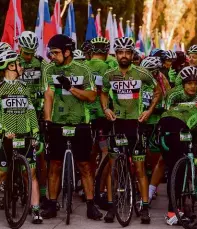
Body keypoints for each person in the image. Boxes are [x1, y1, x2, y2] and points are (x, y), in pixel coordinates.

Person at [101, 37, 162, 224]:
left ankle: (144, 207)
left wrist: (149, 110)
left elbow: (158, 90)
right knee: (113, 168)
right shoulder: (109, 75)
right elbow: (102, 92)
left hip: (136, 125)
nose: (124, 56)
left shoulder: (141, 73)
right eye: (120, 52)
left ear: (132, 54)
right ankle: (112, 206)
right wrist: (106, 109)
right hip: (117, 124)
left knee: (140, 168)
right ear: (116, 54)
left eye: (128, 52)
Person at [42, 34, 102, 220]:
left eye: (56, 52)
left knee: (84, 165)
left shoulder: (83, 69)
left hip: (80, 122)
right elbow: (49, 95)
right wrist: (47, 121)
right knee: (55, 165)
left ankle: (91, 205)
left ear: (67, 52)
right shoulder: (49, 69)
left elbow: (92, 96)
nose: (52, 56)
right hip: (58, 122)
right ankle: (52, 204)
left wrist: (71, 88)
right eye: (50, 52)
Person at [159, 97, 197, 225]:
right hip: (179, 125)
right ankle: (173, 213)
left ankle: (172, 211)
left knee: (173, 169)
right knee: (180, 171)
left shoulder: (183, 104)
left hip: (163, 124)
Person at [0, 50, 43, 224]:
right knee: (2, 174)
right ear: (10, 66)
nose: (21, 66)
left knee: (30, 174)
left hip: (24, 136)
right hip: (5, 138)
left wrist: (35, 133)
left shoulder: (24, 87)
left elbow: (31, 112)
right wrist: (3, 130)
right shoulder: (0, 88)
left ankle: (36, 209)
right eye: (18, 64)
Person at [84, 36, 114, 222]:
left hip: (86, 116)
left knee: (88, 156)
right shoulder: (109, 67)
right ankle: (100, 191)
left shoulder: (84, 66)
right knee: (105, 154)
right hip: (104, 117)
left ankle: (89, 189)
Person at [17, 30, 49, 208]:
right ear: (20, 47)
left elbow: (46, 88)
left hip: (35, 114)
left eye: (31, 52)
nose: (28, 56)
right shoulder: (13, 63)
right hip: (16, 114)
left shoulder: (41, 63)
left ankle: (41, 194)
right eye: (25, 53)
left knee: (40, 154)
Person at [140, 57, 171, 203]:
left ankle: (152, 186)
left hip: (155, 123)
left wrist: (157, 109)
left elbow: (167, 101)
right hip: (140, 122)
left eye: (150, 72)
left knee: (154, 156)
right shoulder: (139, 80)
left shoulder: (162, 82)